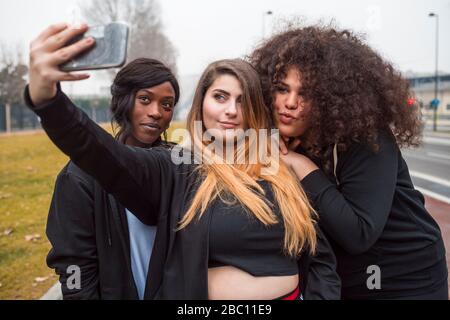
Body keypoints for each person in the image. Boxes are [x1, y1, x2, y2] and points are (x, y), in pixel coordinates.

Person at [26, 23, 340, 300]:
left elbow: (320, 257)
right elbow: (103, 155)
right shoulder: (177, 166)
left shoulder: (279, 169)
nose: (231, 110)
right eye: (220, 97)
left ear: (255, 111)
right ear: (201, 105)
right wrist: (48, 101)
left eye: (242, 101)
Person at [249, 25, 448, 299]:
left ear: (329, 99)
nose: (290, 102)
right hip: (343, 278)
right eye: (282, 89)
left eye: (305, 94)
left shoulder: (366, 137)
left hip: (404, 277)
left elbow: (358, 233)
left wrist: (302, 166)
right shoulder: (277, 139)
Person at [46, 57, 180, 299]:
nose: (156, 112)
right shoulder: (78, 178)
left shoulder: (179, 165)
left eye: (167, 105)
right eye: (145, 99)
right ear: (122, 101)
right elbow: (73, 265)